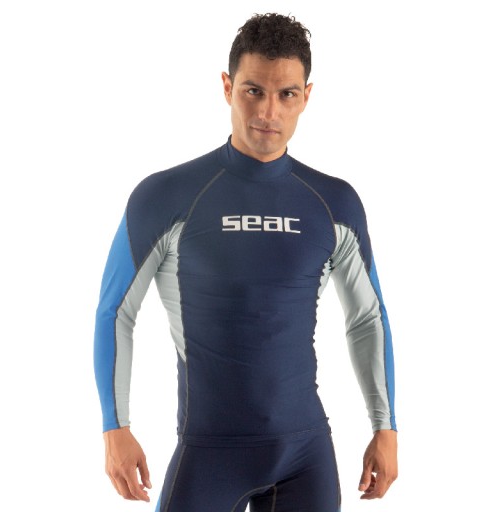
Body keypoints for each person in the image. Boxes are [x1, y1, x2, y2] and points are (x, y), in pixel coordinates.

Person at [94, 12, 397, 512]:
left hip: (306, 457)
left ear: (306, 96)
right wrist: (115, 427)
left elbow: (367, 318)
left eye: (287, 94)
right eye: (253, 91)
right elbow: (115, 312)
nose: (269, 112)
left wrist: (384, 427)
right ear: (227, 87)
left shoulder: (334, 203)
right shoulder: (165, 197)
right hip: (209, 454)